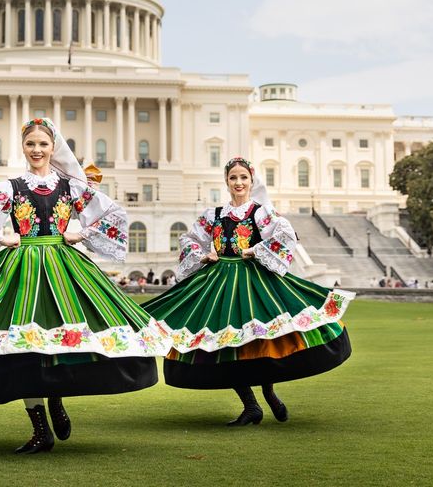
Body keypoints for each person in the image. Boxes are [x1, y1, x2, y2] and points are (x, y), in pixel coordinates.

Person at [0, 117, 166, 454]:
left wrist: (79, 233)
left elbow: (114, 215)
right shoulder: (11, 187)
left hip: (64, 267)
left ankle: (55, 400)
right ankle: (40, 427)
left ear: (53, 147)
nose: (37, 150)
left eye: (43, 144)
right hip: (21, 268)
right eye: (30, 144)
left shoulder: (71, 187)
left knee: (59, 335)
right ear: (23, 148)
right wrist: (1, 237)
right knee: (23, 345)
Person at [144, 157, 353, 426]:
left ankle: (269, 393)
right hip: (219, 284)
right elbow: (189, 239)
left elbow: (286, 236)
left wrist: (256, 250)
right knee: (226, 344)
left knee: (262, 338)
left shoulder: (260, 212)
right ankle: (250, 404)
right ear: (226, 182)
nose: (238, 183)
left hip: (255, 281)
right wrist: (203, 255)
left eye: (243, 177)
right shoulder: (214, 215)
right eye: (233, 178)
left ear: (251, 181)